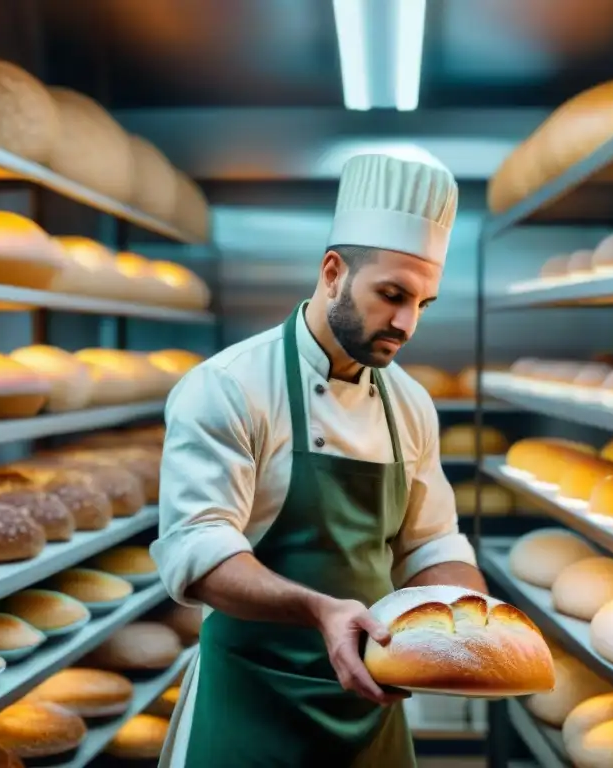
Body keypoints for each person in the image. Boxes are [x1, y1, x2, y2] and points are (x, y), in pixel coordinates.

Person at [151, 153, 488, 767]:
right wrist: (319, 610)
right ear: (333, 273)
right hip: (252, 703)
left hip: (369, 709)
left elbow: (432, 545)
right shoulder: (229, 387)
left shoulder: (409, 404)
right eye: (392, 295)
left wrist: (476, 623)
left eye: (424, 304)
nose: (407, 323)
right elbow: (196, 550)